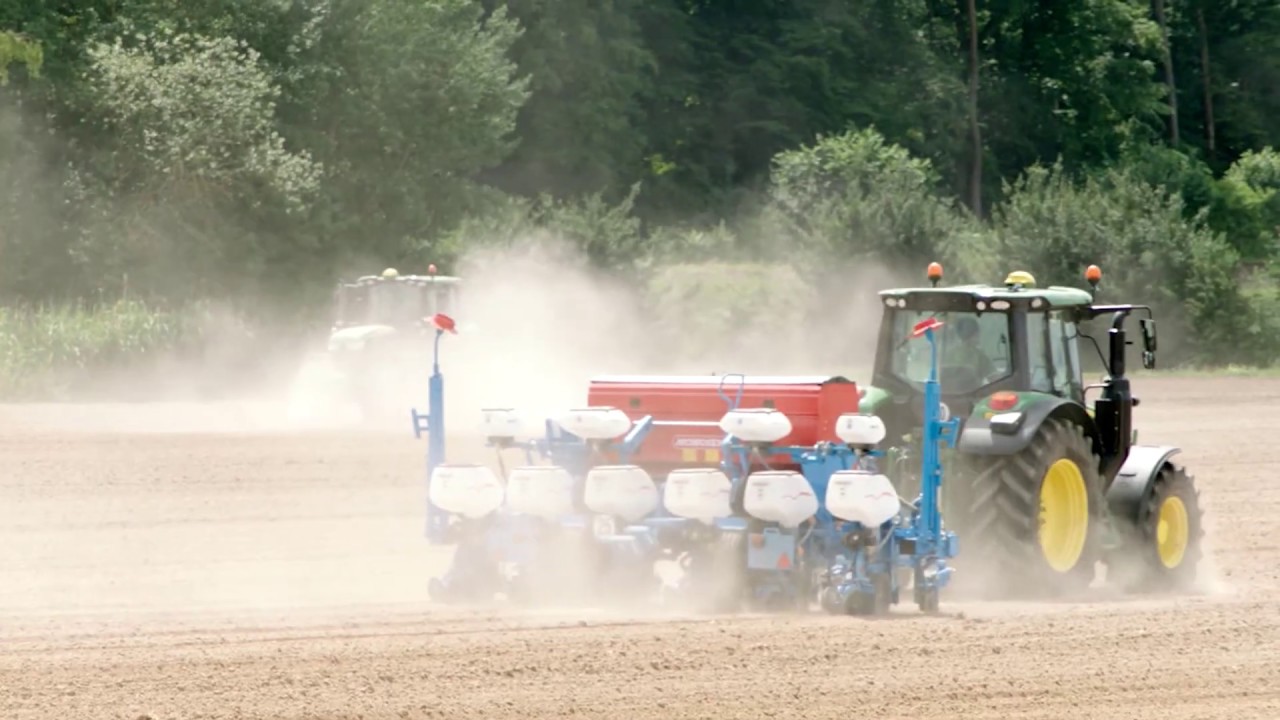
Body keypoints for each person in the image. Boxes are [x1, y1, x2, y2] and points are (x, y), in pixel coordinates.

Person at [944, 315, 996, 380]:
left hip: (950, 389)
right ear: (974, 334)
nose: (978, 337)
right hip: (977, 390)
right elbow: (993, 378)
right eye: (977, 334)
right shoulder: (979, 355)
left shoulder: (949, 354)